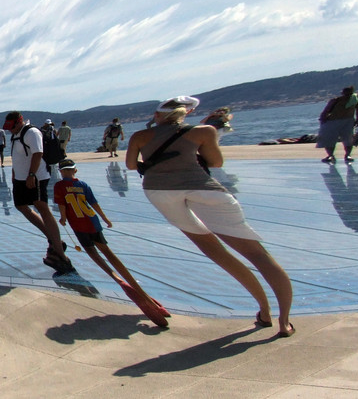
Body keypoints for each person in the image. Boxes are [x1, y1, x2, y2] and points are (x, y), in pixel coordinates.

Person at [126, 96, 294, 337]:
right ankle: (284, 321)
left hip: (160, 192)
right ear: (185, 114)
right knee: (257, 254)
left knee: (215, 251)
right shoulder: (203, 131)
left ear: (157, 116)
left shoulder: (140, 136)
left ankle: (264, 309)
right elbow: (216, 162)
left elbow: (132, 165)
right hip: (204, 189)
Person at [53, 158, 167, 323]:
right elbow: (94, 203)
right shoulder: (83, 185)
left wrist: (63, 218)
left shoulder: (59, 186)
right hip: (93, 222)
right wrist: (105, 218)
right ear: (75, 170)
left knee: (94, 254)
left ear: (61, 171)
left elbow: (62, 205)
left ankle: (118, 279)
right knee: (108, 252)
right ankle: (141, 292)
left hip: (79, 226)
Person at [4, 111, 75, 274]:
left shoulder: (32, 132)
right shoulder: (16, 135)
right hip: (21, 179)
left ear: (19, 121)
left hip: (36, 177)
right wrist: (15, 173)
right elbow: (17, 156)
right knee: (21, 206)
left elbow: (38, 154)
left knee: (42, 208)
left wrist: (31, 175)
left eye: (11, 127)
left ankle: (61, 256)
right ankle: (52, 238)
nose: (9, 130)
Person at [317, 86, 358, 163]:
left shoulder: (354, 99)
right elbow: (326, 110)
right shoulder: (336, 100)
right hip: (332, 121)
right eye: (346, 94)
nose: (348, 96)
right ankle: (330, 155)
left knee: (348, 139)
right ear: (343, 93)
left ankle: (348, 155)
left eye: (350, 93)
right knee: (329, 139)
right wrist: (323, 119)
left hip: (348, 120)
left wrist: (357, 119)